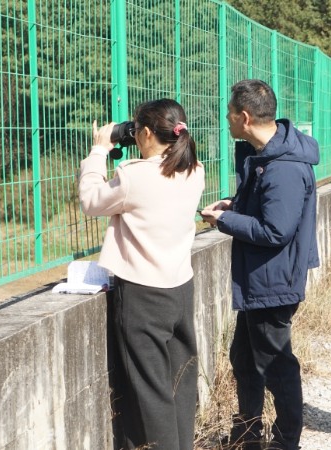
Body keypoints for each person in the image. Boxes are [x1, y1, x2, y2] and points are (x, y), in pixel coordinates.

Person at [79, 99, 205, 450]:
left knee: (150, 393)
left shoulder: (135, 176)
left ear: (147, 133)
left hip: (143, 296)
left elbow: (90, 200)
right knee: (179, 384)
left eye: (136, 129)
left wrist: (99, 151)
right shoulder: (196, 170)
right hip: (180, 288)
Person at [200, 79, 319, 450]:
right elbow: (268, 211)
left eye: (230, 114)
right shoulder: (266, 156)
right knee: (245, 357)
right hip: (260, 278)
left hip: (274, 279)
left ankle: (286, 442)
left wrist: (223, 222)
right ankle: (248, 434)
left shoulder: (282, 166)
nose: (227, 119)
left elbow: (275, 230)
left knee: (276, 366)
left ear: (246, 117)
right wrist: (234, 206)